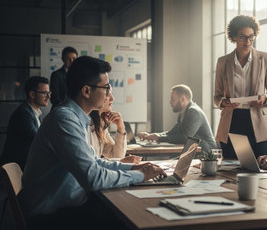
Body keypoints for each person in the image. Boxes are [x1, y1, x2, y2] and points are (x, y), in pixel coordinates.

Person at [18, 56, 166, 227]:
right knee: (134, 219)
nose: (110, 94)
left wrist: (134, 168)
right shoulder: (64, 119)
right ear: (87, 91)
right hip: (50, 217)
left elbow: (95, 162)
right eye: (106, 88)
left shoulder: (76, 117)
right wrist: (140, 175)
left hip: (67, 207)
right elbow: (93, 177)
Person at [214, 15, 267, 159]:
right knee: (229, 167)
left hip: (258, 122)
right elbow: (217, 96)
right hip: (232, 120)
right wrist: (223, 102)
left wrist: (265, 98)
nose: (248, 41)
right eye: (243, 37)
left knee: (262, 165)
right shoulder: (223, 62)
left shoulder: (265, 59)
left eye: (251, 37)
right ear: (234, 37)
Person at [139, 84, 216, 151]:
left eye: (172, 99)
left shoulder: (193, 112)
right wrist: (153, 135)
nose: (170, 102)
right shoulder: (184, 112)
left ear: (182, 99)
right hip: (194, 151)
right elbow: (171, 133)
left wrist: (158, 138)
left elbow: (185, 138)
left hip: (207, 155)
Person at [0, 76, 50, 170]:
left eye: (48, 93)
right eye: (44, 93)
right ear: (32, 94)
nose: (48, 97)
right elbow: (39, 139)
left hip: (27, 166)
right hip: (18, 169)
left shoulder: (35, 113)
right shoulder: (23, 114)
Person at [89, 89, 141, 164]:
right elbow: (90, 164)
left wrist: (121, 128)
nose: (112, 98)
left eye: (111, 94)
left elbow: (115, 155)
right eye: (107, 94)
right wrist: (119, 161)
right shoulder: (86, 124)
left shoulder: (101, 124)